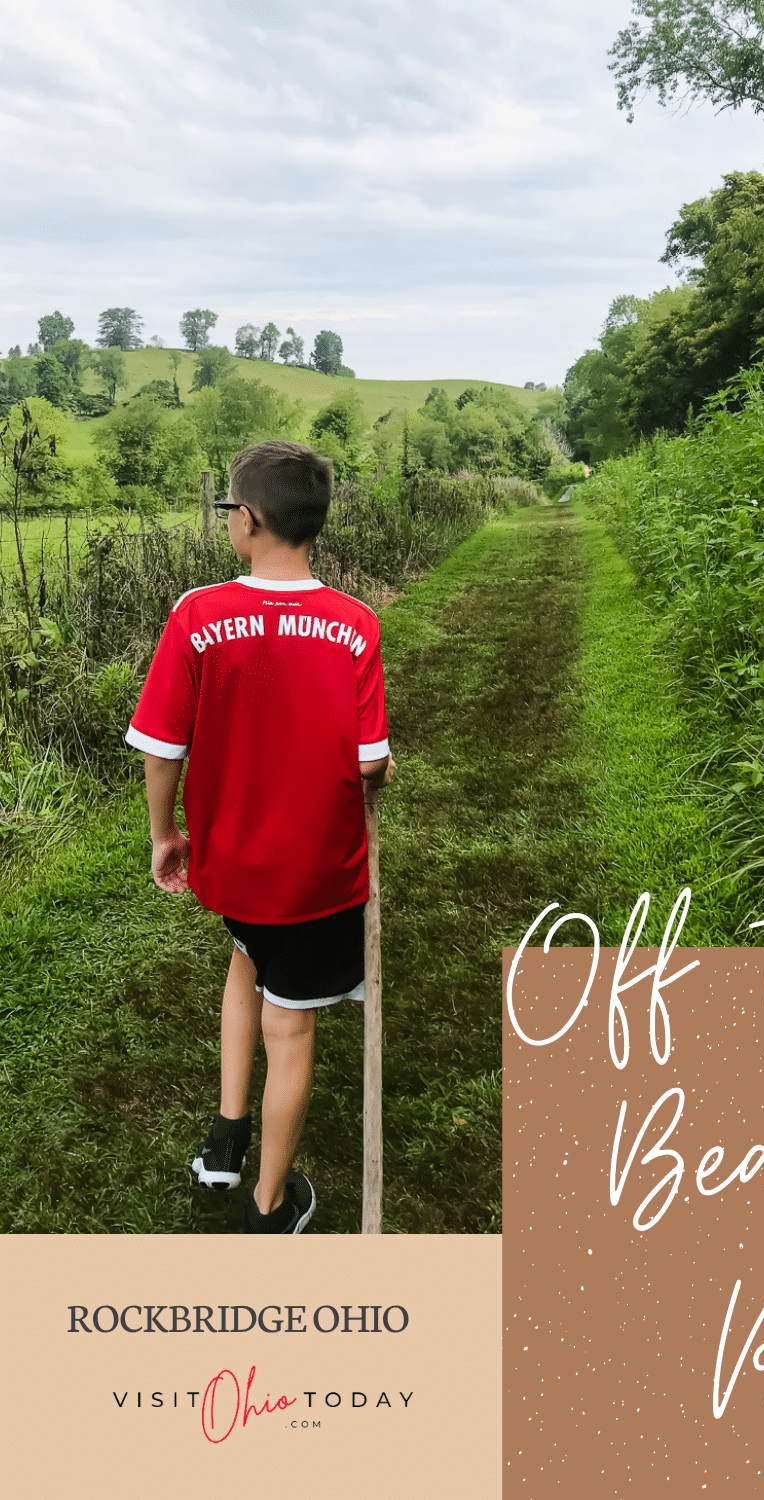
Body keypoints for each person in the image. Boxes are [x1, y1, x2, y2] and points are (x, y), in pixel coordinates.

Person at [125, 440, 394, 1233]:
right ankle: (270, 1205)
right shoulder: (356, 624)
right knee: (292, 1023)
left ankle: (228, 1132)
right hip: (317, 876)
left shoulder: (197, 614)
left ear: (245, 521)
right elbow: (370, 763)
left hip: (234, 866)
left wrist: (165, 834)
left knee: (247, 956)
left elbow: (161, 747)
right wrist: (375, 770)